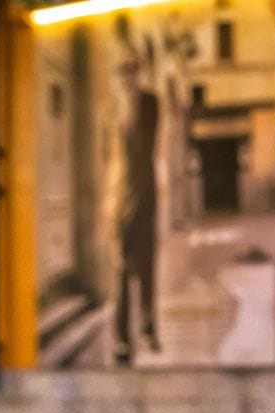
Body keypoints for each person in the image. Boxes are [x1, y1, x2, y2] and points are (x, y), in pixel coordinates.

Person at [112, 40, 160, 365]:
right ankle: (123, 337)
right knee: (120, 270)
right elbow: (114, 160)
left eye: (134, 69)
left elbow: (145, 147)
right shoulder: (115, 111)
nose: (129, 75)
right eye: (124, 70)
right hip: (121, 198)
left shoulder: (149, 103)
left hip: (143, 194)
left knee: (145, 264)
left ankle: (146, 321)